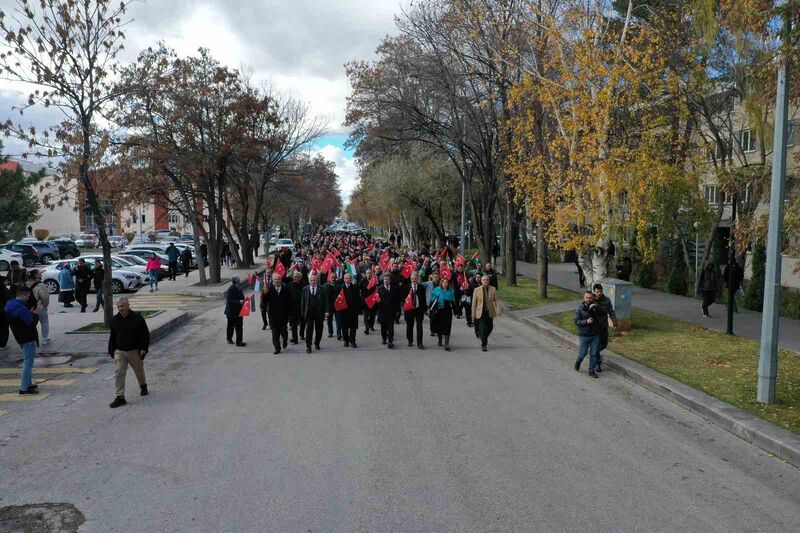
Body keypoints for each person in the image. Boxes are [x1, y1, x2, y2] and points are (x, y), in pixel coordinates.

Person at [107, 297, 150, 408]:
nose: (120, 308)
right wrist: (112, 350)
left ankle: (143, 385)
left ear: (128, 305)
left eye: (122, 306)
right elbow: (112, 336)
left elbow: (145, 335)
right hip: (120, 351)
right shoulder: (115, 319)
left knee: (139, 370)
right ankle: (120, 397)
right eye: (118, 307)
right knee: (119, 372)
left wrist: (143, 349)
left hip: (134, 350)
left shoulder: (137, 318)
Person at [4, 286, 39, 394]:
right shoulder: (21, 309)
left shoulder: (10, 306)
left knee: (27, 361)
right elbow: (31, 323)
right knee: (28, 363)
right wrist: (35, 315)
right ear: (23, 295)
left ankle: (29, 384)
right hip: (28, 337)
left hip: (20, 336)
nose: (28, 298)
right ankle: (24, 388)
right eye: (28, 296)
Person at [574, 291, 601, 378]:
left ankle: (591, 370)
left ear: (592, 298)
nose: (588, 299)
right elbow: (576, 321)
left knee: (593, 353)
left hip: (595, 334)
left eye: (590, 298)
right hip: (584, 335)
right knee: (583, 353)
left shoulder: (596, 307)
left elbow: (601, 317)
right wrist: (586, 321)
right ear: (584, 298)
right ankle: (578, 361)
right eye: (587, 297)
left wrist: (594, 309)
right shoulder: (580, 308)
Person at [592, 283, 617, 373]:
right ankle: (597, 363)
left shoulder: (606, 300)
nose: (599, 293)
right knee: (597, 345)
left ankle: (593, 352)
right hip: (594, 328)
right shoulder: (591, 300)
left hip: (603, 326)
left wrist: (614, 321)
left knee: (604, 344)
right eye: (598, 292)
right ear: (594, 291)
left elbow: (611, 311)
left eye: (601, 291)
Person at [301, 274, 328, 353]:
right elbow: (303, 302)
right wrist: (303, 313)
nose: (313, 282)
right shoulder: (305, 289)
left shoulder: (322, 289)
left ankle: (317, 343)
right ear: (309, 281)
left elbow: (326, 301)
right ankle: (308, 346)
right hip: (309, 313)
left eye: (314, 280)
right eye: (311, 280)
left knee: (319, 329)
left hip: (319, 313)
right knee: (309, 330)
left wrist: (326, 311)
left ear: (317, 281)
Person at [264, 273, 290, 354]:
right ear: (273, 281)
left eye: (278, 279)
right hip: (273, 316)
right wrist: (264, 294)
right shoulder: (269, 289)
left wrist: (289, 313)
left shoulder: (285, 289)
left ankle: (285, 341)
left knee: (283, 332)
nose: (277, 281)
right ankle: (277, 348)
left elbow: (289, 302)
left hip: (283, 315)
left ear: (281, 280)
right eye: (275, 279)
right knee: (275, 333)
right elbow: (265, 301)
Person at [471, 274, 499, 351]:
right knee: (483, 329)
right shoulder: (476, 290)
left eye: (487, 280)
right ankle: (484, 344)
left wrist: (498, 309)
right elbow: (474, 303)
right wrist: (473, 314)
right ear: (481, 281)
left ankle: (483, 336)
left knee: (490, 327)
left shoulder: (493, 289)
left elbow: (496, 300)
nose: (486, 281)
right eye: (484, 280)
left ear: (489, 281)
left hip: (489, 312)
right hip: (480, 312)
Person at [431, 277, 458, 351]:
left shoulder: (451, 291)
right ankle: (440, 339)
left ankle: (447, 344)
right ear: (441, 283)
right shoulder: (437, 290)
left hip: (447, 311)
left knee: (447, 327)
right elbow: (432, 300)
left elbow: (452, 302)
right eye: (443, 282)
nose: (445, 284)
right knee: (439, 327)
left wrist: (456, 310)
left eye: (446, 282)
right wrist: (433, 309)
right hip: (439, 310)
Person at [404, 272, 427, 349]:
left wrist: (424, 309)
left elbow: (424, 299)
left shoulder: (421, 288)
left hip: (419, 310)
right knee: (409, 326)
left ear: (418, 279)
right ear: (410, 279)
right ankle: (410, 340)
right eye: (412, 279)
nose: (414, 280)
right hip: (409, 310)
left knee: (419, 327)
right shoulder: (406, 287)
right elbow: (402, 298)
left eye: (415, 278)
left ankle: (420, 343)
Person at [224, 276, 247, 347]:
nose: (239, 282)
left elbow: (242, 296)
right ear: (235, 282)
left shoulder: (238, 287)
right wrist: (238, 302)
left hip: (239, 311)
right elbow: (230, 301)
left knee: (239, 326)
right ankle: (229, 338)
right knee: (230, 326)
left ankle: (239, 341)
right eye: (238, 281)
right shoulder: (231, 289)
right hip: (231, 312)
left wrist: (245, 300)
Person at [28, 270, 50, 345]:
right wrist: (45, 305)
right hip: (39, 307)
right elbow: (45, 297)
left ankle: (31, 338)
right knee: (44, 322)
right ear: (36, 275)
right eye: (40, 273)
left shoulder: (26, 283)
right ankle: (45, 338)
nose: (41, 274)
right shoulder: (40, 285)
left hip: (28, 308)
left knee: (30, 323)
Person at [341, 272, 362, 348]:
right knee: (344, 327)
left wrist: (358, 310)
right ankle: (346, 341)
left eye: (349, 278)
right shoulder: (341, 288)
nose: (348, 279)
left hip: (353, 311)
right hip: (344, 311)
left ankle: (353, 341)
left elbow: (358, 299)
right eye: (346, 278)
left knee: (353, 327)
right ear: (344, 279)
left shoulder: (355, 287)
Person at [377, 274, 399, 348]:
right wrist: (377, 301)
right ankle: (384, 338)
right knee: (383, 327)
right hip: (382, 311)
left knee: (390, 328)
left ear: (390, 280)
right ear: (383, 281)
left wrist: (397, 310)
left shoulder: (394, 288)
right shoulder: (379, 288)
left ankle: (390, 341)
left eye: (388, 279)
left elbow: (397, 300)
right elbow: (375, 299)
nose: (386, 281)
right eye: (385, 279)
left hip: (391, 311)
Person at [288, 271, 306, 344]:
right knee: (293, 324)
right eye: (295, 277)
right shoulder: (289, 285)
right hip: (292, 308)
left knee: (303, 322)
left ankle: (301, 334)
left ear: (300, 278)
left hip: (302, 308)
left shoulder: (304, 285)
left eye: (298, 277)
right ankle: (295, 338)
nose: (296, 278)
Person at [422, 272, 440, 338]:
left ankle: (438, 330)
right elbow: (420, 284)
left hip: (439, 303)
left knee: (439, 317)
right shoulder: (428, 283)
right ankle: (432, 330)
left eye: (437, 277)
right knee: (432, 317)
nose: (436, 279)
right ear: (432, 277)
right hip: (431, 303)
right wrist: (420, 275)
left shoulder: (441, 284)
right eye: (435, 277)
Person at [360, 270, 378, 335]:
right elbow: (358, 288)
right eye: (367, 273)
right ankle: (366, 328)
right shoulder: (362, 281)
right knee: (366, 315)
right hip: (365, 301)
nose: (369, 274)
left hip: (373, 300)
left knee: (372, 315)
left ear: (372, 274)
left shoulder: (374, 281)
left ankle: (371, 325)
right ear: (366, 274)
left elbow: (377, 290)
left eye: (370, 273)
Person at [0, 280, 10, 352]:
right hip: (3, 310)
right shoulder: (3, 288)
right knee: (4, 327)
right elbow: (8, 297)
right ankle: (3, 344)